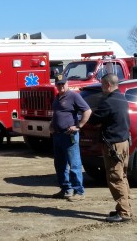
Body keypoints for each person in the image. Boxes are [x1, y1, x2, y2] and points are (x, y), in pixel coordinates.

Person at [88, 73, 132, 222]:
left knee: (115, 177)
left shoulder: (109, 102)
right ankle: (124, 207)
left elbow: (93, 120)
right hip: (124, 142)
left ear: (108, 85)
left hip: (114, 145)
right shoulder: (121, 98)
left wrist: (92, 115)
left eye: (102, 85)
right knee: (122, 176)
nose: (101, 88)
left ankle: (124, 212)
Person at [49, 74, 91, 202]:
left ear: (67, 84)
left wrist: (79, 126)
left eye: (63, 84)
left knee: (74, 163)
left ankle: (79, 191)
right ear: (56, 85)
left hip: (69, 135)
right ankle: (66, 189)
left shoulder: (73, 96)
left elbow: (87, 111)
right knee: (60, 164)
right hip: (57, 135)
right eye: (58, 84)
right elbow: (56, 114)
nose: (61, 86)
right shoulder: (57, 97)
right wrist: (51, 125)